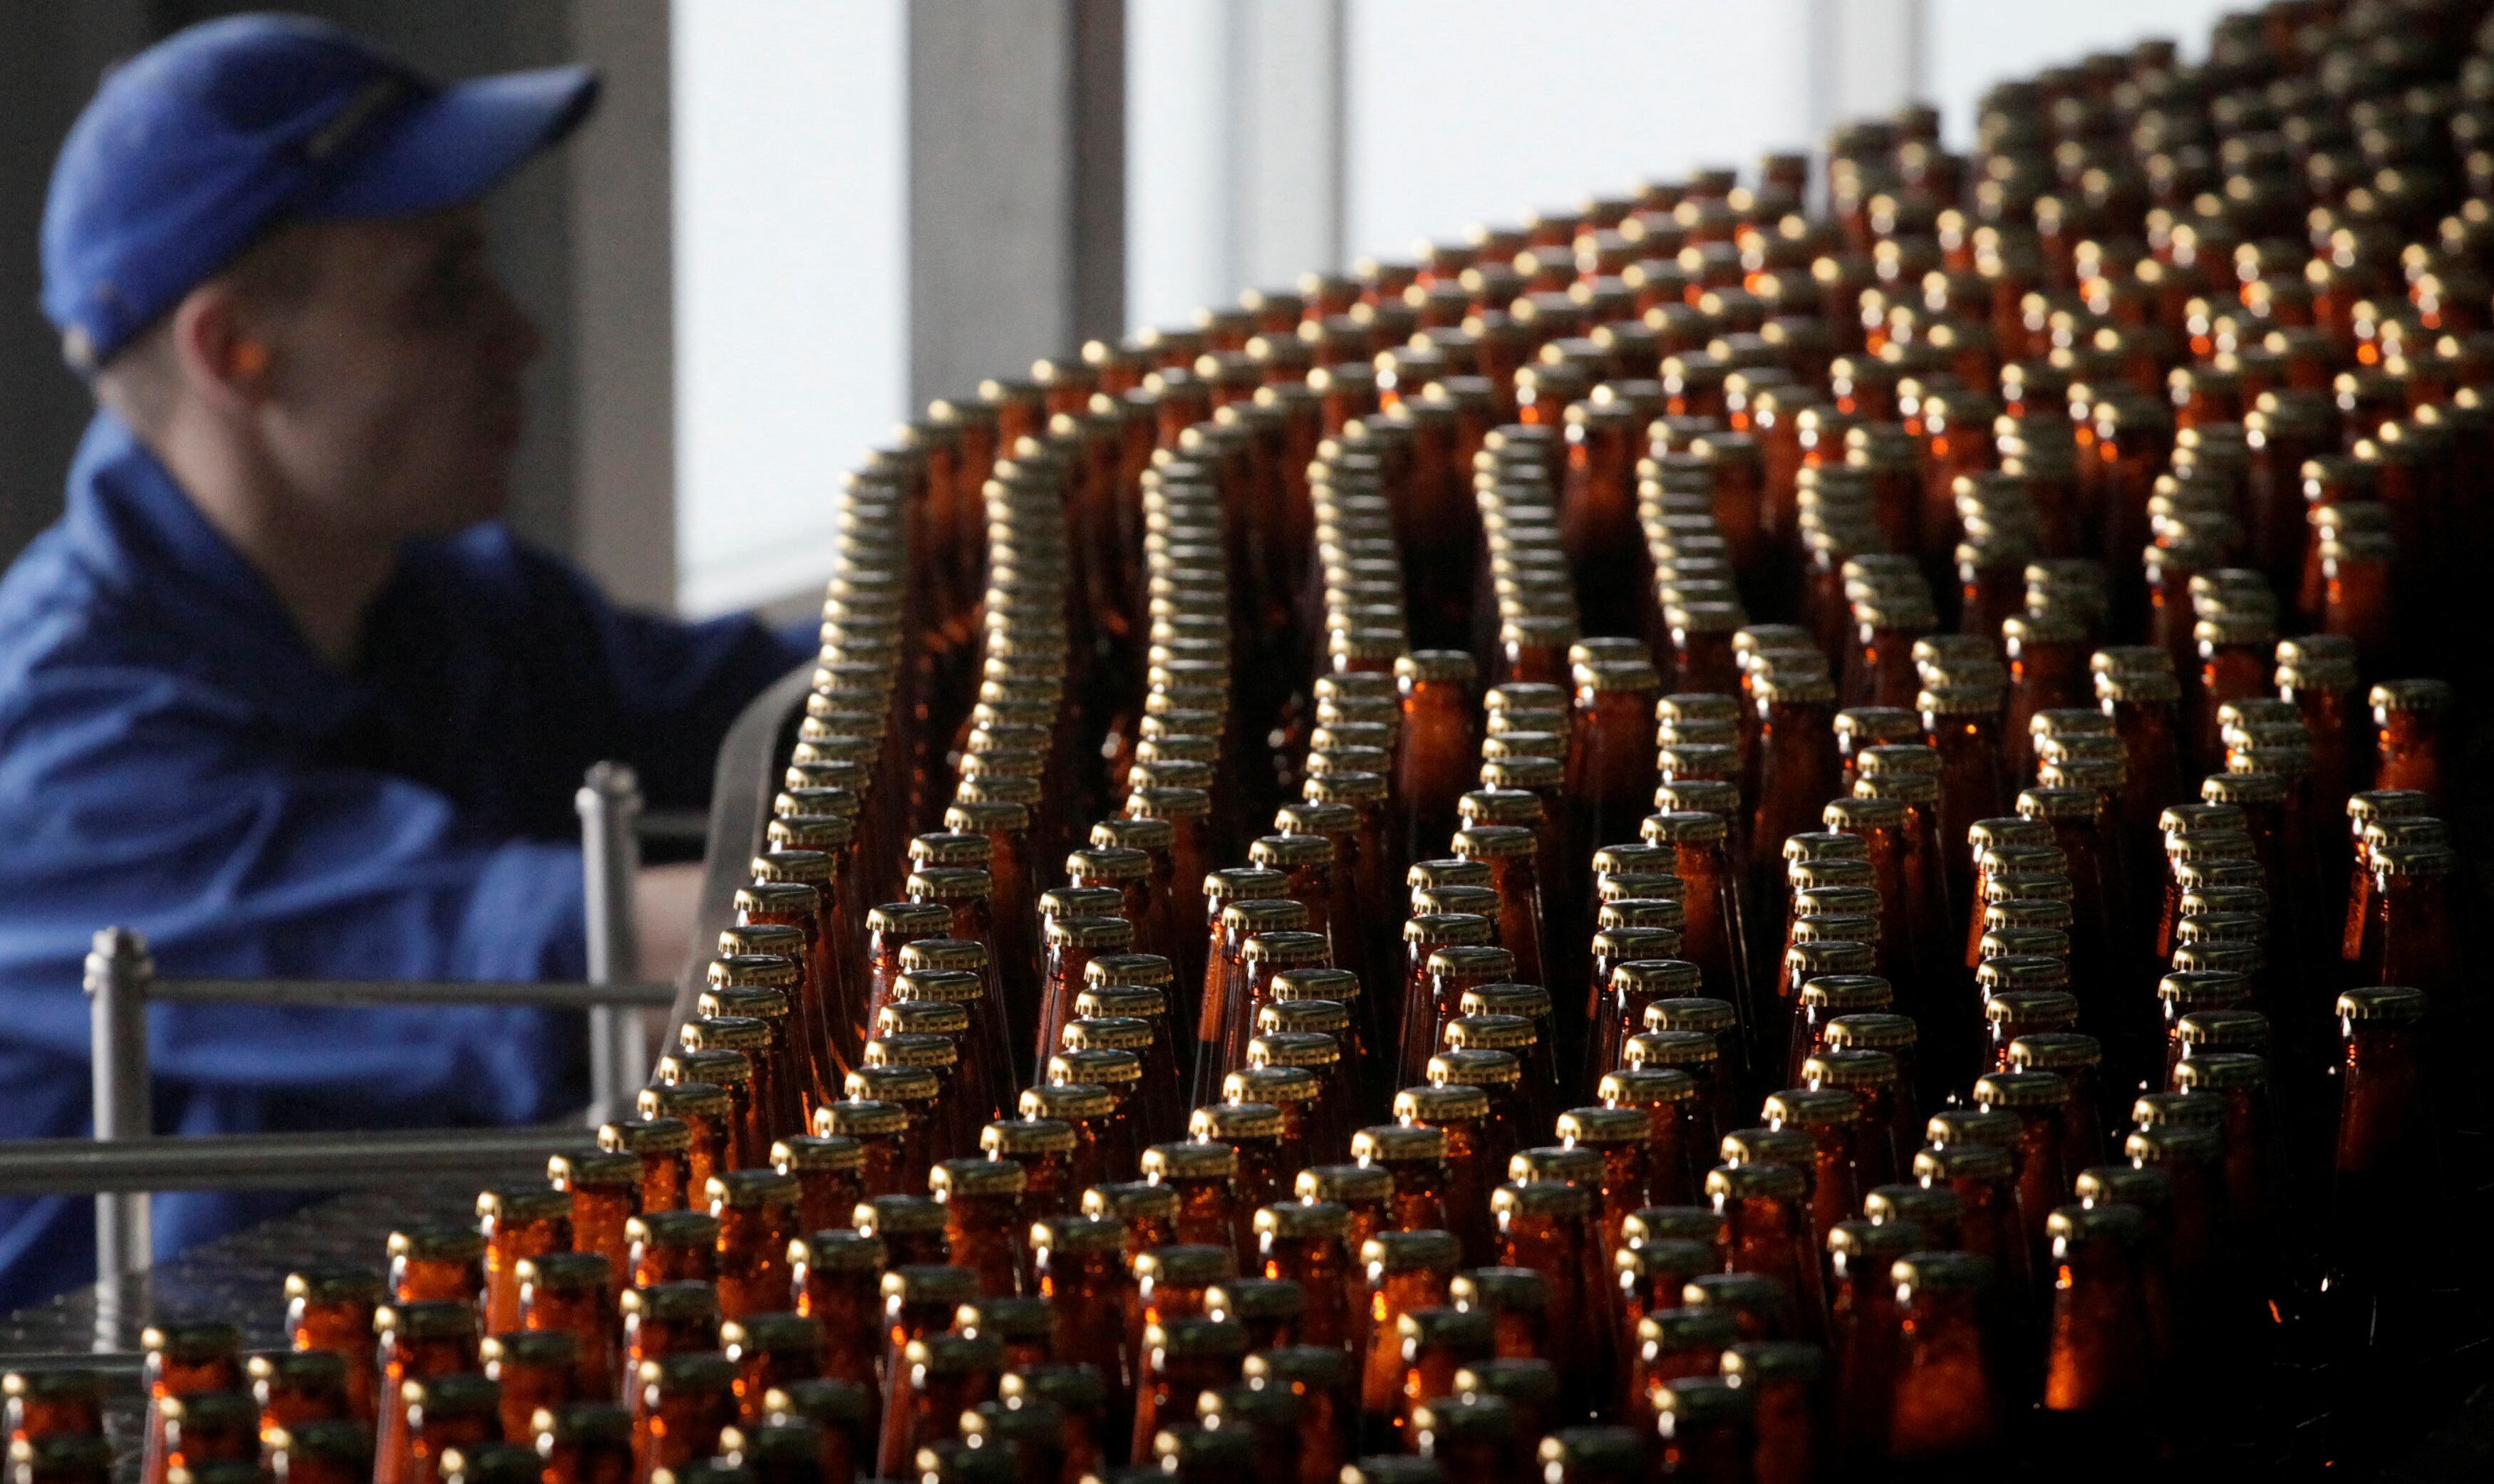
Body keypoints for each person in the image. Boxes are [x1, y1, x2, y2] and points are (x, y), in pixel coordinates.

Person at [0, 14, 809, 1307]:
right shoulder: (59, 756)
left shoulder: (450, 603)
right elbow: (595, 960)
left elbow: (789, 705)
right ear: (235, 353)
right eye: (444, 290)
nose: (519, 339)